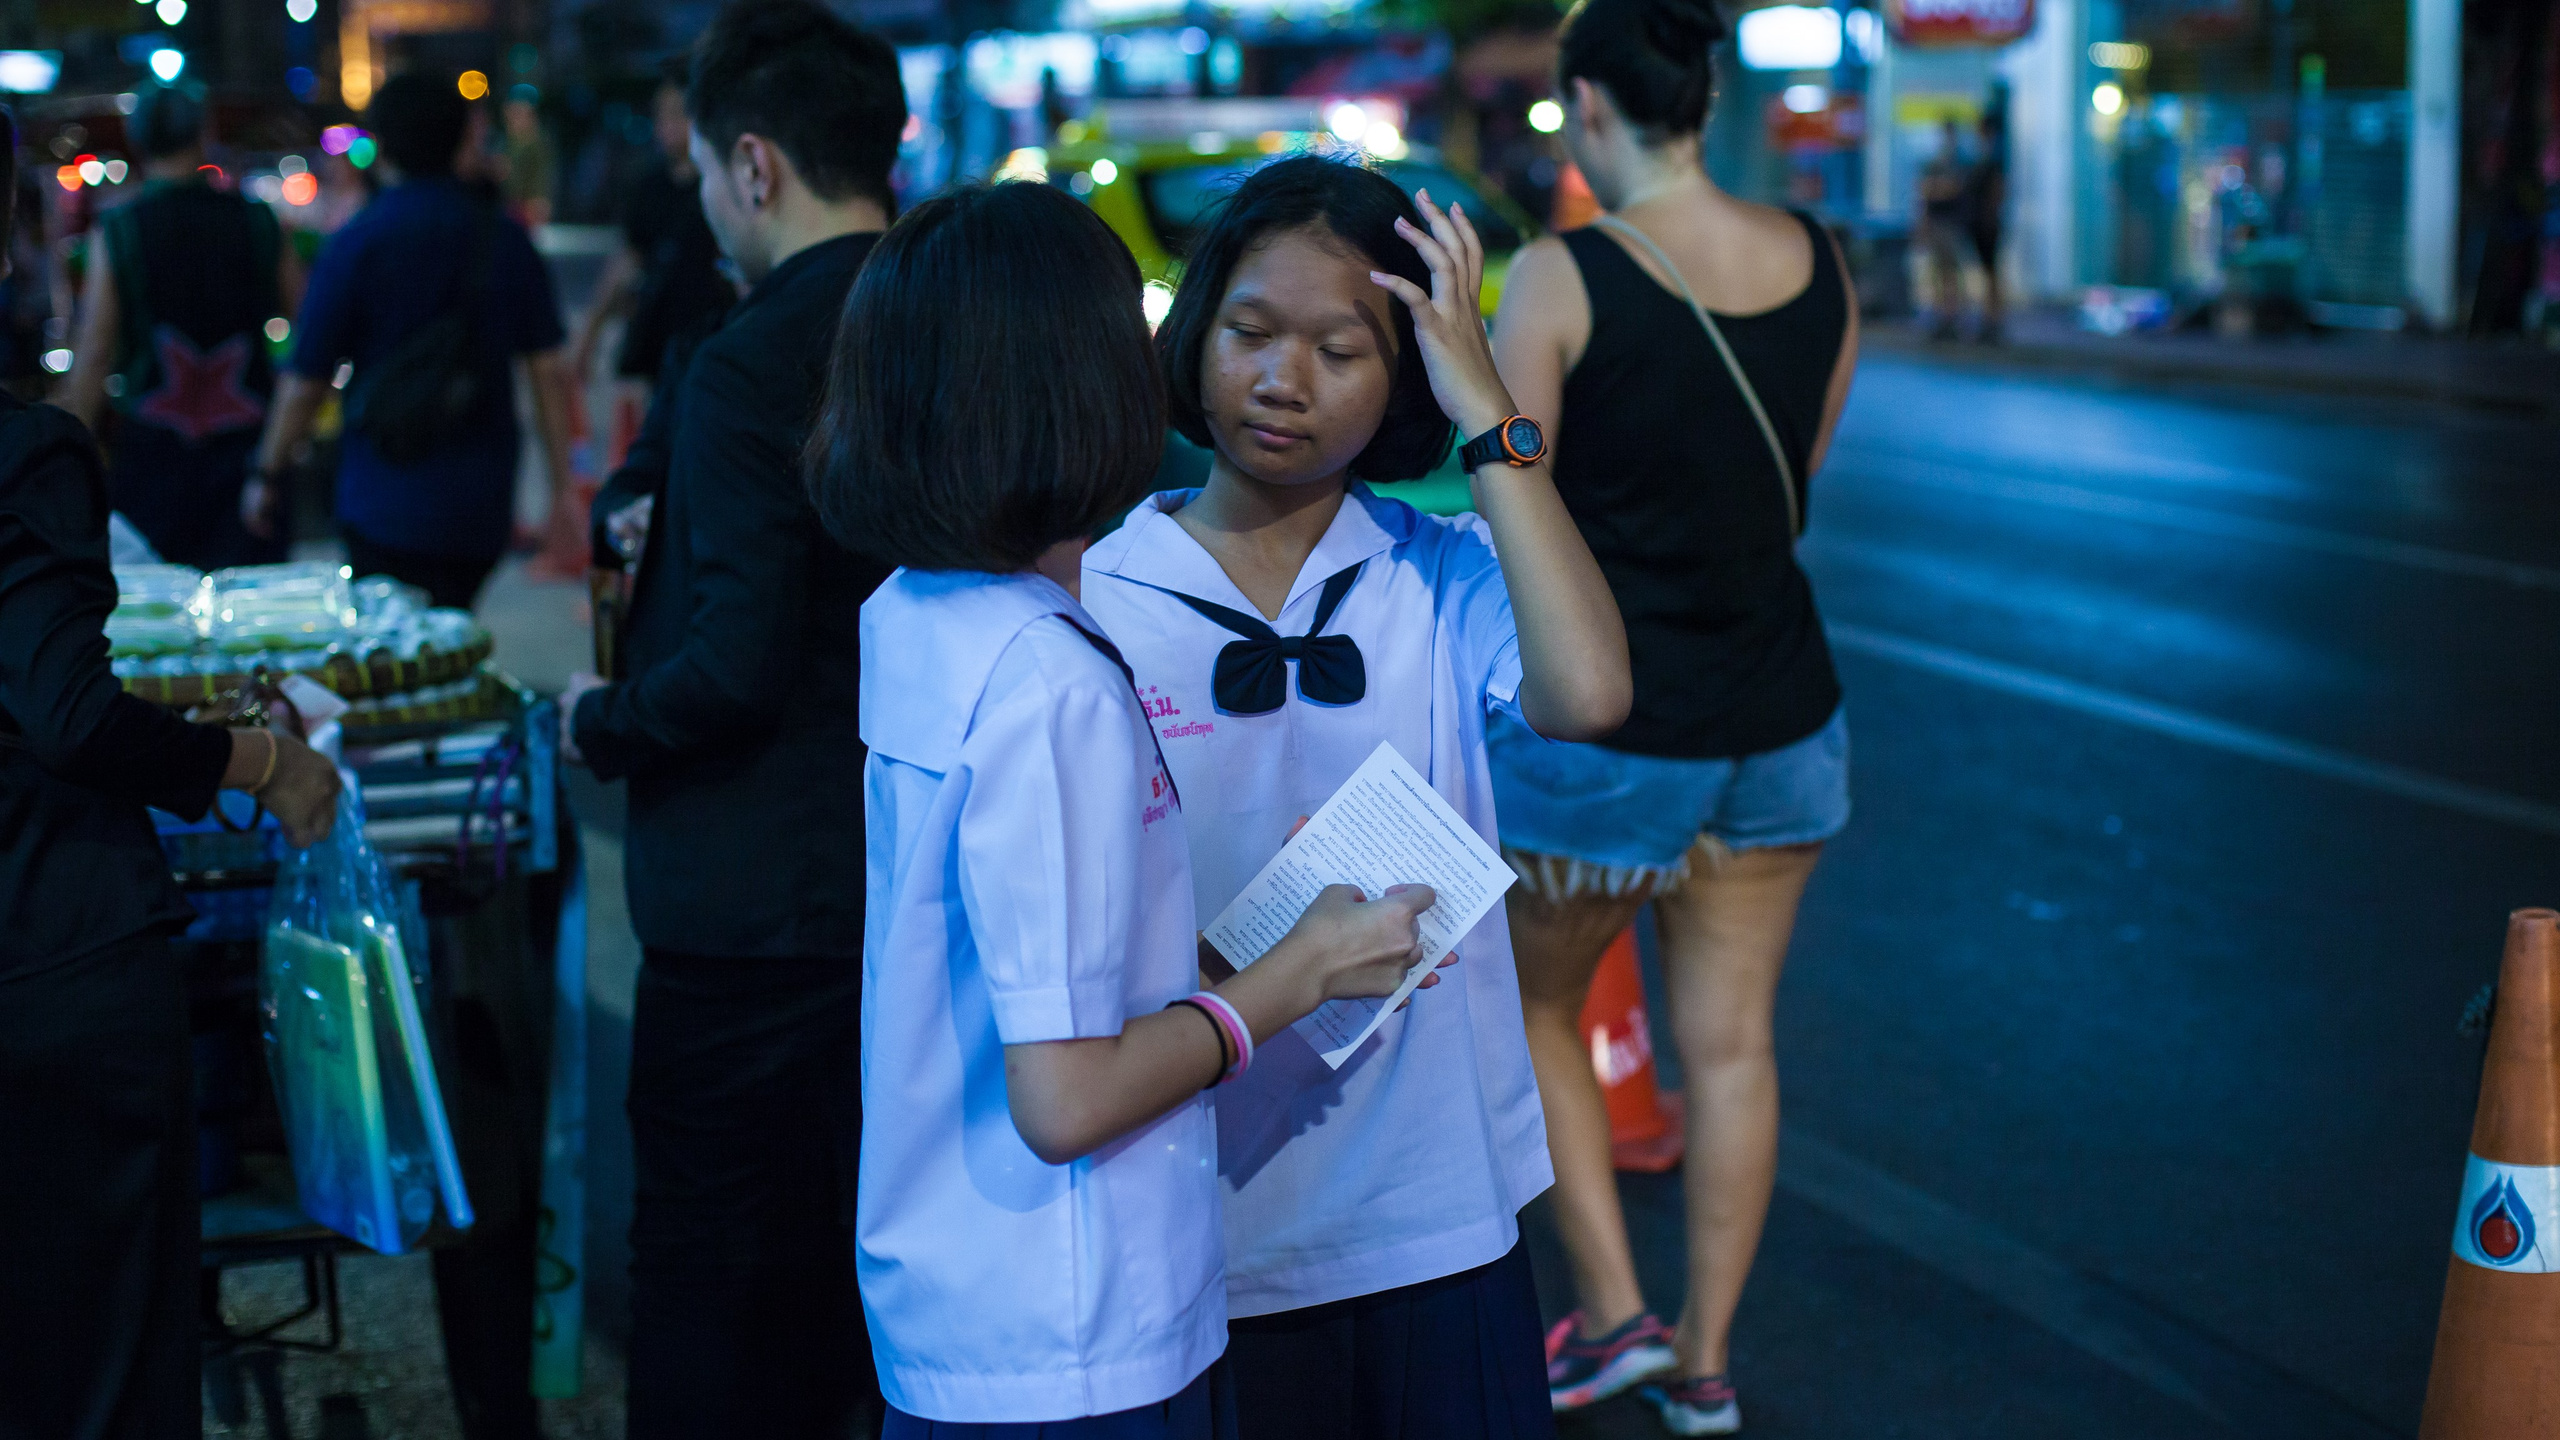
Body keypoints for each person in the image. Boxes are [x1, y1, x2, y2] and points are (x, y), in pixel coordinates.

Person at [820, 175, 1445, 1440]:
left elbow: (1009, 970)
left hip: (956, 1280)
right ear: (1077, 388)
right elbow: (1066, 1100)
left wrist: (1230, 954)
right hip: (1073, 1326)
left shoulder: (914, 610)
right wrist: (1301, 972)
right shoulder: (1050, 678)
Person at [1079, 155, 1630, 1440]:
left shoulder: (1435, 573)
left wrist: (1487, 404)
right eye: (1252, 334)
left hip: (1427, 1212)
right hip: (1192, 1213)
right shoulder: (1100, 595)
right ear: (1196, 330)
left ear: (1400, 384)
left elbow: (1591, 691)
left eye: (1342, 350)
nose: (1283, 381)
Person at [1488, 0, 1858, 1430]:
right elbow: (1794, 482)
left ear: (1588, 108)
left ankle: (1612, 1317)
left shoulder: (1560, 275)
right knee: (1732, 1046)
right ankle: (1705, 1363)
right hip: (1785, 714)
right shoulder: (1822, 260)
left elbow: (1518, 502)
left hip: (1614, 737)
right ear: (1703, 101)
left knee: (1532, 1005)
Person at [555, 2, 905, 1432]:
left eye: (706, 170)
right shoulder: (945, 316)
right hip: (907, 877)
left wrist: (602, 719)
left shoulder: (754, 356)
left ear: (752, 165)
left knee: (703, 1273)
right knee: (852, 1260)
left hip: (753, 902)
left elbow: (734, 661)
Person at [0, 101, 343, 1440]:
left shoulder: (124, 248)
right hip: (47, 966)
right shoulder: (27, 456)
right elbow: (67, 715)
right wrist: (258, 759)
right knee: (94, 1363)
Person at [247, 70, 576, 609]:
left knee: (390, 655)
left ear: (382, 147)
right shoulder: (505, 240)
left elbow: (307, 380)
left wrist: (267, 472)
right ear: (462, 139)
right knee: (454, 637)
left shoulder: (356, 243)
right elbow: (547, 370)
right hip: (480, 503)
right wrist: (563, 488)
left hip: (381, 498)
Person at [61, 83, 304, 569]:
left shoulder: (121, 229)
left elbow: (94, 356)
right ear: (204, 134)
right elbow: (305, 328)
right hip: (246, 453)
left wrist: (63, 458)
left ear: (138, 141)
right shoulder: (256, 221)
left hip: (153, 459)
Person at [567, 58, 734, 393]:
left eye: (677, 112)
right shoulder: (649, 185)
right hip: (661, 342)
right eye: (661, 113)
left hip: (715, 339)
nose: (666, 123)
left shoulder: (723, 185)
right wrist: (590, 333)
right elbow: (627, 260)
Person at [1917, 118, 1970, 341]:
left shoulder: (1959, 161)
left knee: (1951, 274)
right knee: (1938, 274)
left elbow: (1953, 188)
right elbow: (1925, 191)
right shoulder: (1935, 162)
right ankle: (1941, 317)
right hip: (1938, 224)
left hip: (1951, 225)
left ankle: (1953, 317)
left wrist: (1938, 188)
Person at [1962, 108, 2008, 344]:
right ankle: (1989, 318)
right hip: (1979, 223)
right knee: (1987, 275)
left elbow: (1997, 190)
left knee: (1991, 275)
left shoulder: (1994, 156)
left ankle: (1993, 320)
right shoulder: (1983, 155)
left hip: (1987, 224)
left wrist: (1991, 217)